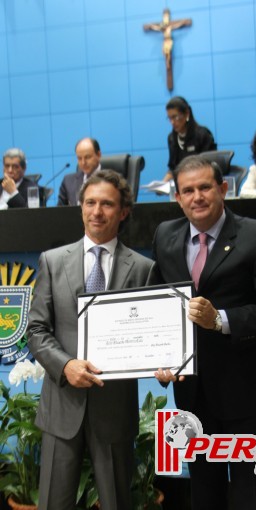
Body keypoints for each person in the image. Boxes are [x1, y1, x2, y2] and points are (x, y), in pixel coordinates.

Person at [153, 155, 256, 510]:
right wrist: (159, 357)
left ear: (222, 189)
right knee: (204, 493)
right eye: (188, 190)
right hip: (193, 394)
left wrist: (221, 320)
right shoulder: (166, 235)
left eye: (205, 187)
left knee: (251, 495)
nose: (197, 196)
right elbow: (159, 304)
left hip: (249, 392)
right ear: (177, 197)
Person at [27, 170, 157, 510]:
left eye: (107, 204)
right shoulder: (53, 262)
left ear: (124, 211)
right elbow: (37, 330)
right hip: (62, 405)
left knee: (117, 503)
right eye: (90, 202)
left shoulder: (143, 268)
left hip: (114, 410)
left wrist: (164, 359)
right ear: (79, 206)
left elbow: (151, 334)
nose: (97, 211)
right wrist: (65, 365)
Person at [163, 96, 217, 182]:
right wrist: (162, 184)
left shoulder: (202, 134)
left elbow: (210, 165)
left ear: (187, 114)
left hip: (202, 180)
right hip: (182, 183)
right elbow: (173, 168)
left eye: (175, 117)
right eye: (169, 118)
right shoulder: (172, 138)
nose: (172, 122)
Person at [58, 137, 102, 206]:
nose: (83, 162)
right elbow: (59, 212)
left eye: (87, 157)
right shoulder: (68, 181)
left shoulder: (113, 179)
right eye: (79, 158)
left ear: (99, 155)